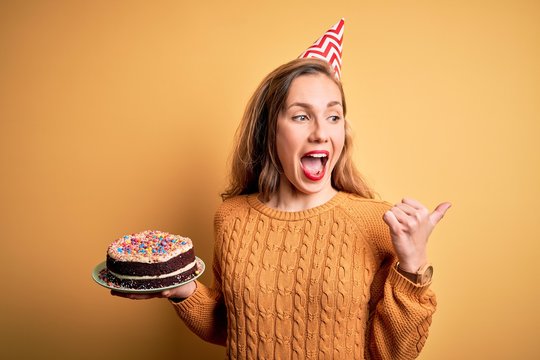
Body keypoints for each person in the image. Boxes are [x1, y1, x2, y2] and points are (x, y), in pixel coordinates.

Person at [113, 56, 451, 359]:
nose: (320, 132)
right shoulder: (231, 218)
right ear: (268, 130)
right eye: (302, 116)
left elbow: (395, 352)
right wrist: (181, 288)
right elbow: (235, 328)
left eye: (333, 116)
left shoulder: (375, 221)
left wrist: (413, 264)